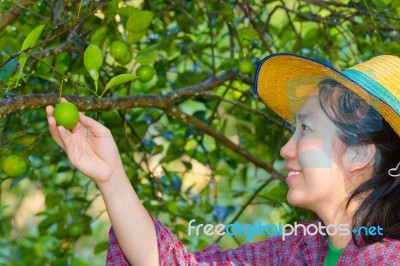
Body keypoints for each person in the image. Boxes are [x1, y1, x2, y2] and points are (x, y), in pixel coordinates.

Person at [46, 53, 400, 266]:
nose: (286, 149)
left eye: (306, 130)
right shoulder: (303, 250)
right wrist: (111, 176)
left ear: (359, 153)